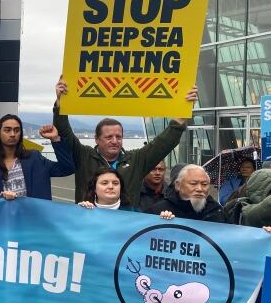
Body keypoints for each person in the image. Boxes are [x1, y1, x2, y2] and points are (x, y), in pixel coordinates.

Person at [53, 78, 197, 208]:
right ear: (96, 139)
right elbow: (64, 133)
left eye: (119, 136)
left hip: (125, 227)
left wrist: (181, 117)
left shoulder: (135, 160)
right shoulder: (83, 156)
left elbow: (162, 144)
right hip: (88, 224)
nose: (115, 141)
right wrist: (61, 102)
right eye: (109, 137)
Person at [0, 117, 74, 199]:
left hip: (33, 222)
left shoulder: (35, 158)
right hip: (0, 222)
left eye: (16, 130)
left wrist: (55, 139)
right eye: (7, 130)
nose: (12, 134)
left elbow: (66, 169)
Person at [148, 164, 225, 222]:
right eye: (193, 183)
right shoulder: (159, 211)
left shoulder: (216, 211)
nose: (199, 189)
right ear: (178, 185)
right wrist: (160, 222)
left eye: (204, 184)